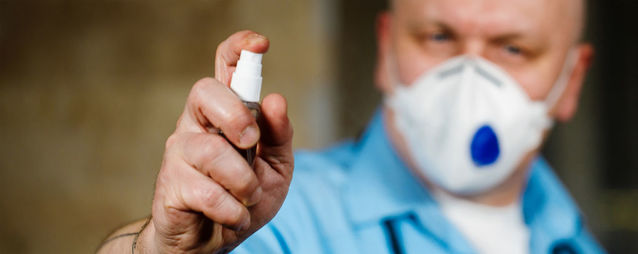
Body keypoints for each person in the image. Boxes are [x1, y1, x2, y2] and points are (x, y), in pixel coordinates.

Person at [98, 0, 603, 253]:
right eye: (438, 36)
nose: (469, 79)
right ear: (386, 49)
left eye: (513, 49)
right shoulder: (273, 219)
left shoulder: (576, 240)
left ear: (572, 80)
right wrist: (158, 248)